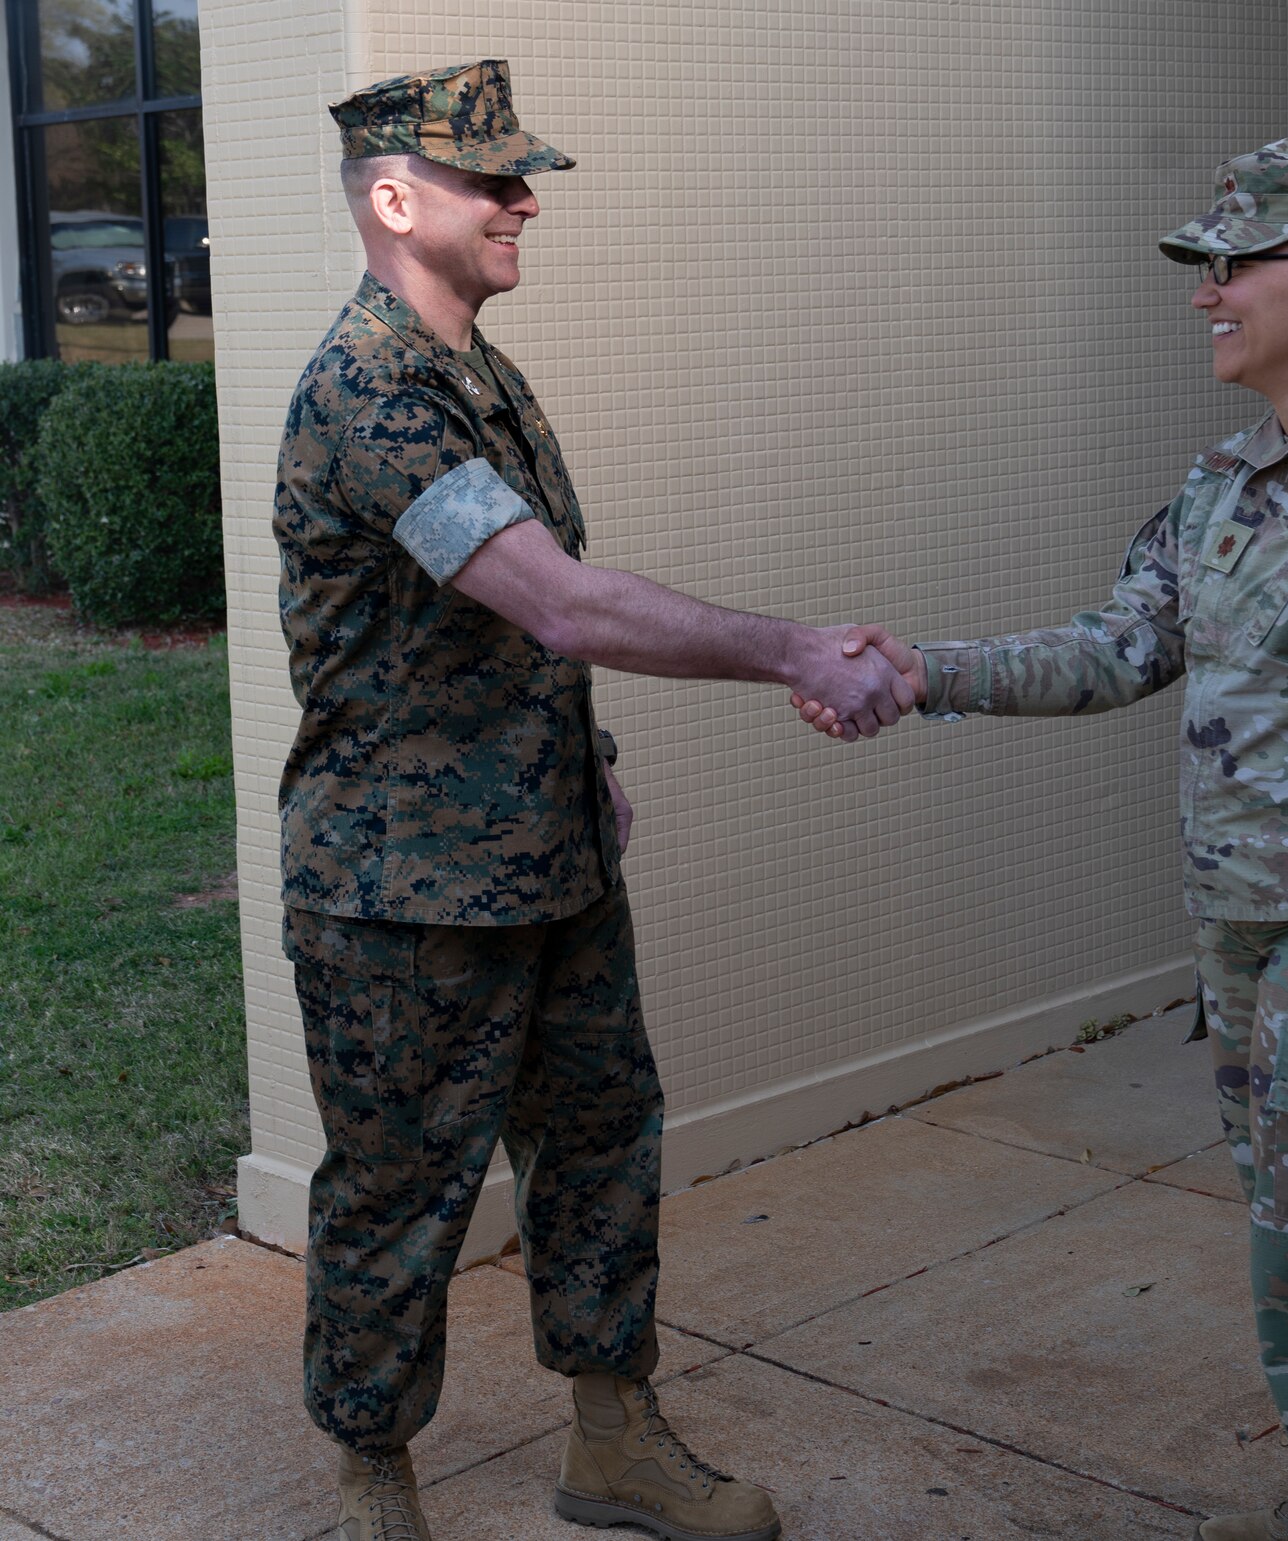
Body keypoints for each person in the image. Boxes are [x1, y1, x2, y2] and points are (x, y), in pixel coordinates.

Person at [800, 133, 1288, 1540]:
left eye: (1230, 266)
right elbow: (1122, 643)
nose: (1204, 295)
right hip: (1262, 943)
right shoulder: (1234, 479)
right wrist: (920, 673)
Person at [275, 60, 911, 1541]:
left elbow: (483, 638)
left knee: (604, 1141)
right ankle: (374, 1481)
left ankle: (614, 1436)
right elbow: (556, 605)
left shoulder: (480, 375)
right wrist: (796, 649)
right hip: (405, 892)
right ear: (393, 198)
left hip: (547, 856)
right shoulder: (372, 389)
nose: (523, 199)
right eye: (493, 179)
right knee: (399, 1195)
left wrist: (588, 769)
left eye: (521, 174)